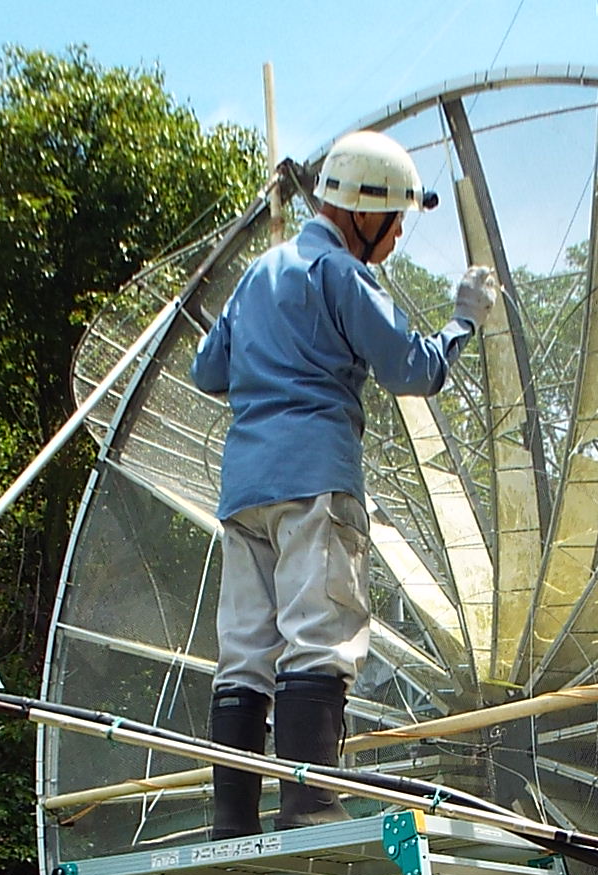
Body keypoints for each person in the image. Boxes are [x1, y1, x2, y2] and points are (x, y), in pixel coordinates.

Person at [191, 129, 498, 835]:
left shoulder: (257, 276)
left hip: (245, 492)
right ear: (364, 214)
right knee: (319, 636)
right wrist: (462, 322)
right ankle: (308, 805)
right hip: (314, 482)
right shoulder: (341, 274)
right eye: (393, 225)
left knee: (244, 654)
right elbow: (412, 370)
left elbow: (208, 372)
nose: (394, 242)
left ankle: (232, 817)